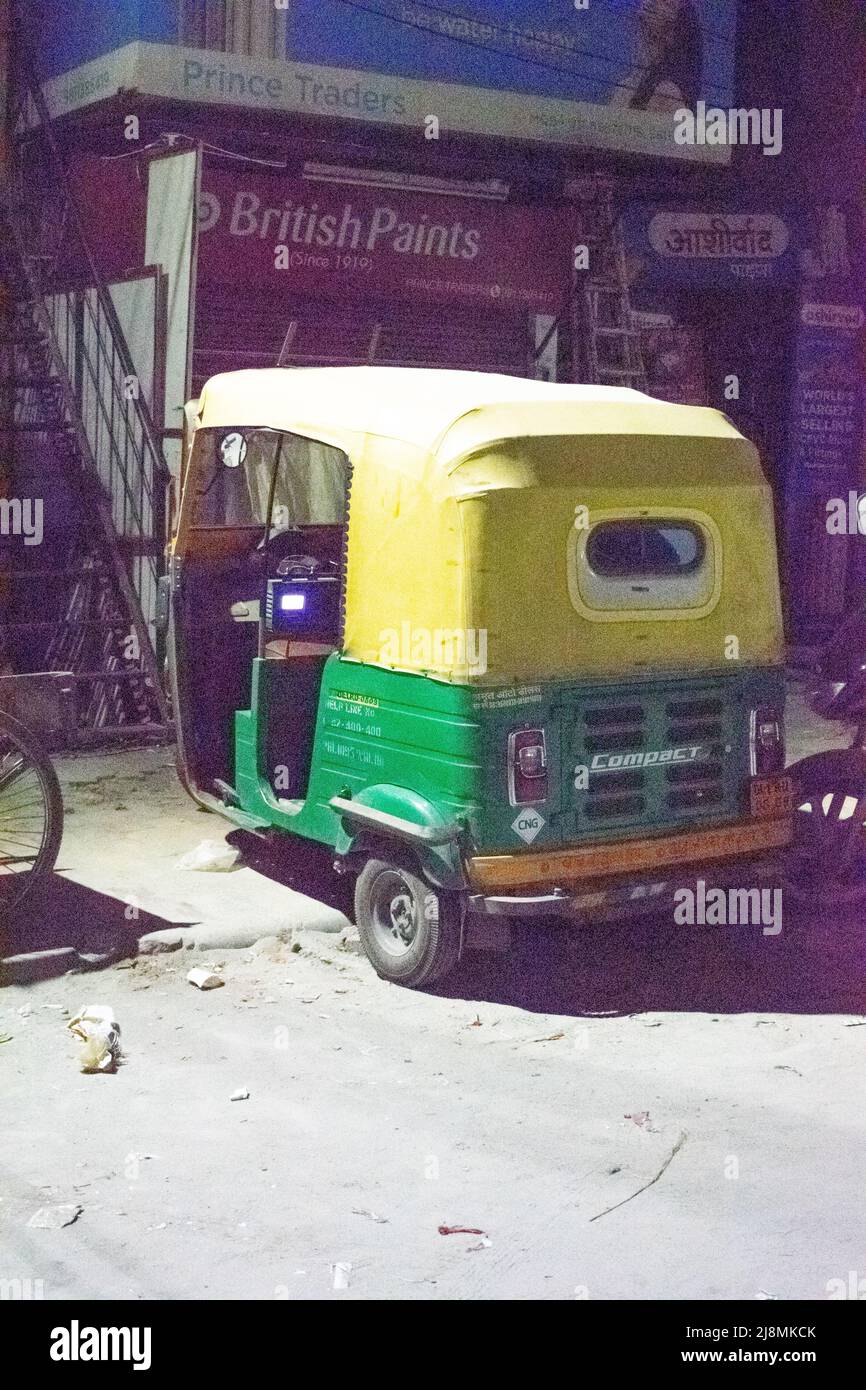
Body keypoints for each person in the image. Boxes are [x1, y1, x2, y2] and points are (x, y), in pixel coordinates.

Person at [610, 0, 704, 114]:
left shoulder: (667, 93)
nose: (640, 43)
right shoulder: (626, 86)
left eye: (651, 37)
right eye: (641, 31)